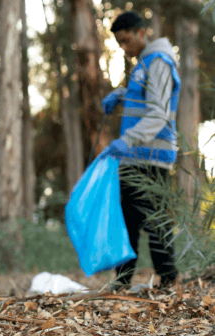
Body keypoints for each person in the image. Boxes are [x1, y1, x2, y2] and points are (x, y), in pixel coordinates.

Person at [102, 11, 180, 289]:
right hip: (135, 157)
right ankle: (123, 280)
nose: (124, 48)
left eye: (126, 40)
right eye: (120, 43)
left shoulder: (158, 61)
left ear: (142, 32)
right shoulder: (144, 64)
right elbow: (146, 100)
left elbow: (158, 112)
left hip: (152, 157)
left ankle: (168, 279)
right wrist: (123, 95)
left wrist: (129, 139)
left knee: (154, 220)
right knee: (128, 220)